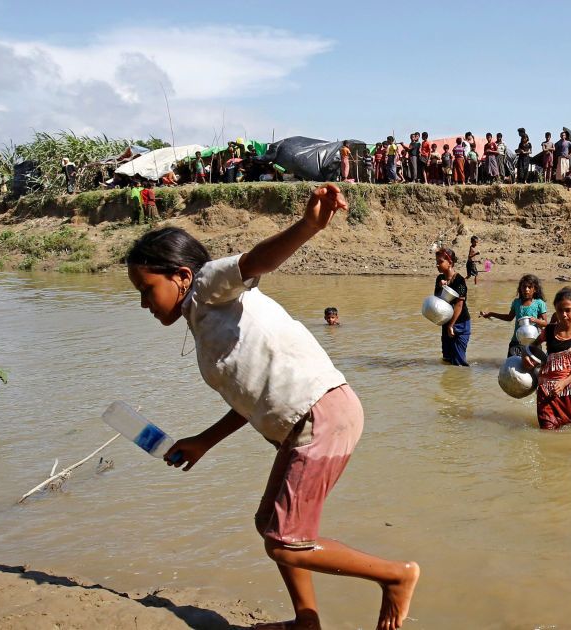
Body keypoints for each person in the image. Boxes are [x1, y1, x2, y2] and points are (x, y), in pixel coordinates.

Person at [125, 186, 419, 629]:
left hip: (321, 416)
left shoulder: (208, 286)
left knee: (285, 541)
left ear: (181, 276)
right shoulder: (206, 325)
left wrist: (308, 227)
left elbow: (255, 261)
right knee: (271, 525)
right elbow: (249, 398)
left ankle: (397, 576)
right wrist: (203, 442)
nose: (144, 303)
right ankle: (306, 621)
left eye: (147, 289)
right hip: (303, 424)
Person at [524, 287, 571, 430]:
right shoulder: (548, 331)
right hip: (546, 391)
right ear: (555, 310)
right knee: (547, 430)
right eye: (560, 310)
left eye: (568, 310)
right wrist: (527, 357)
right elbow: (532, 347)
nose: (564, 314)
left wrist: (563, 383)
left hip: (569, 391)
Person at [479, 274, 548, 357]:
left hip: (533, 341)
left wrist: (536, 320)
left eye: (530, 287)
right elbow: (509, 318)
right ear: (520, 289)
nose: (526, 289)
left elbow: (545, 323)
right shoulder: (516, 302)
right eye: (524, 287)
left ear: (535, 289)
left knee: (535, 367)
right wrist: (491, 314)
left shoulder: (539, 303)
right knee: (511, 366)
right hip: (516, 341)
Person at [434, 247, 471, 366]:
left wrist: (451, 325)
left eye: (440, 262)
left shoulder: (459, 281)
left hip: (460, 323)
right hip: (447, 322)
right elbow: (436, 299)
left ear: (450, 263)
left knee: (459, 362)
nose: (437, 265)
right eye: (436, 262)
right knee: (447, 359)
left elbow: (459, 305)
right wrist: (441, 287)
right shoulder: (440, 279)